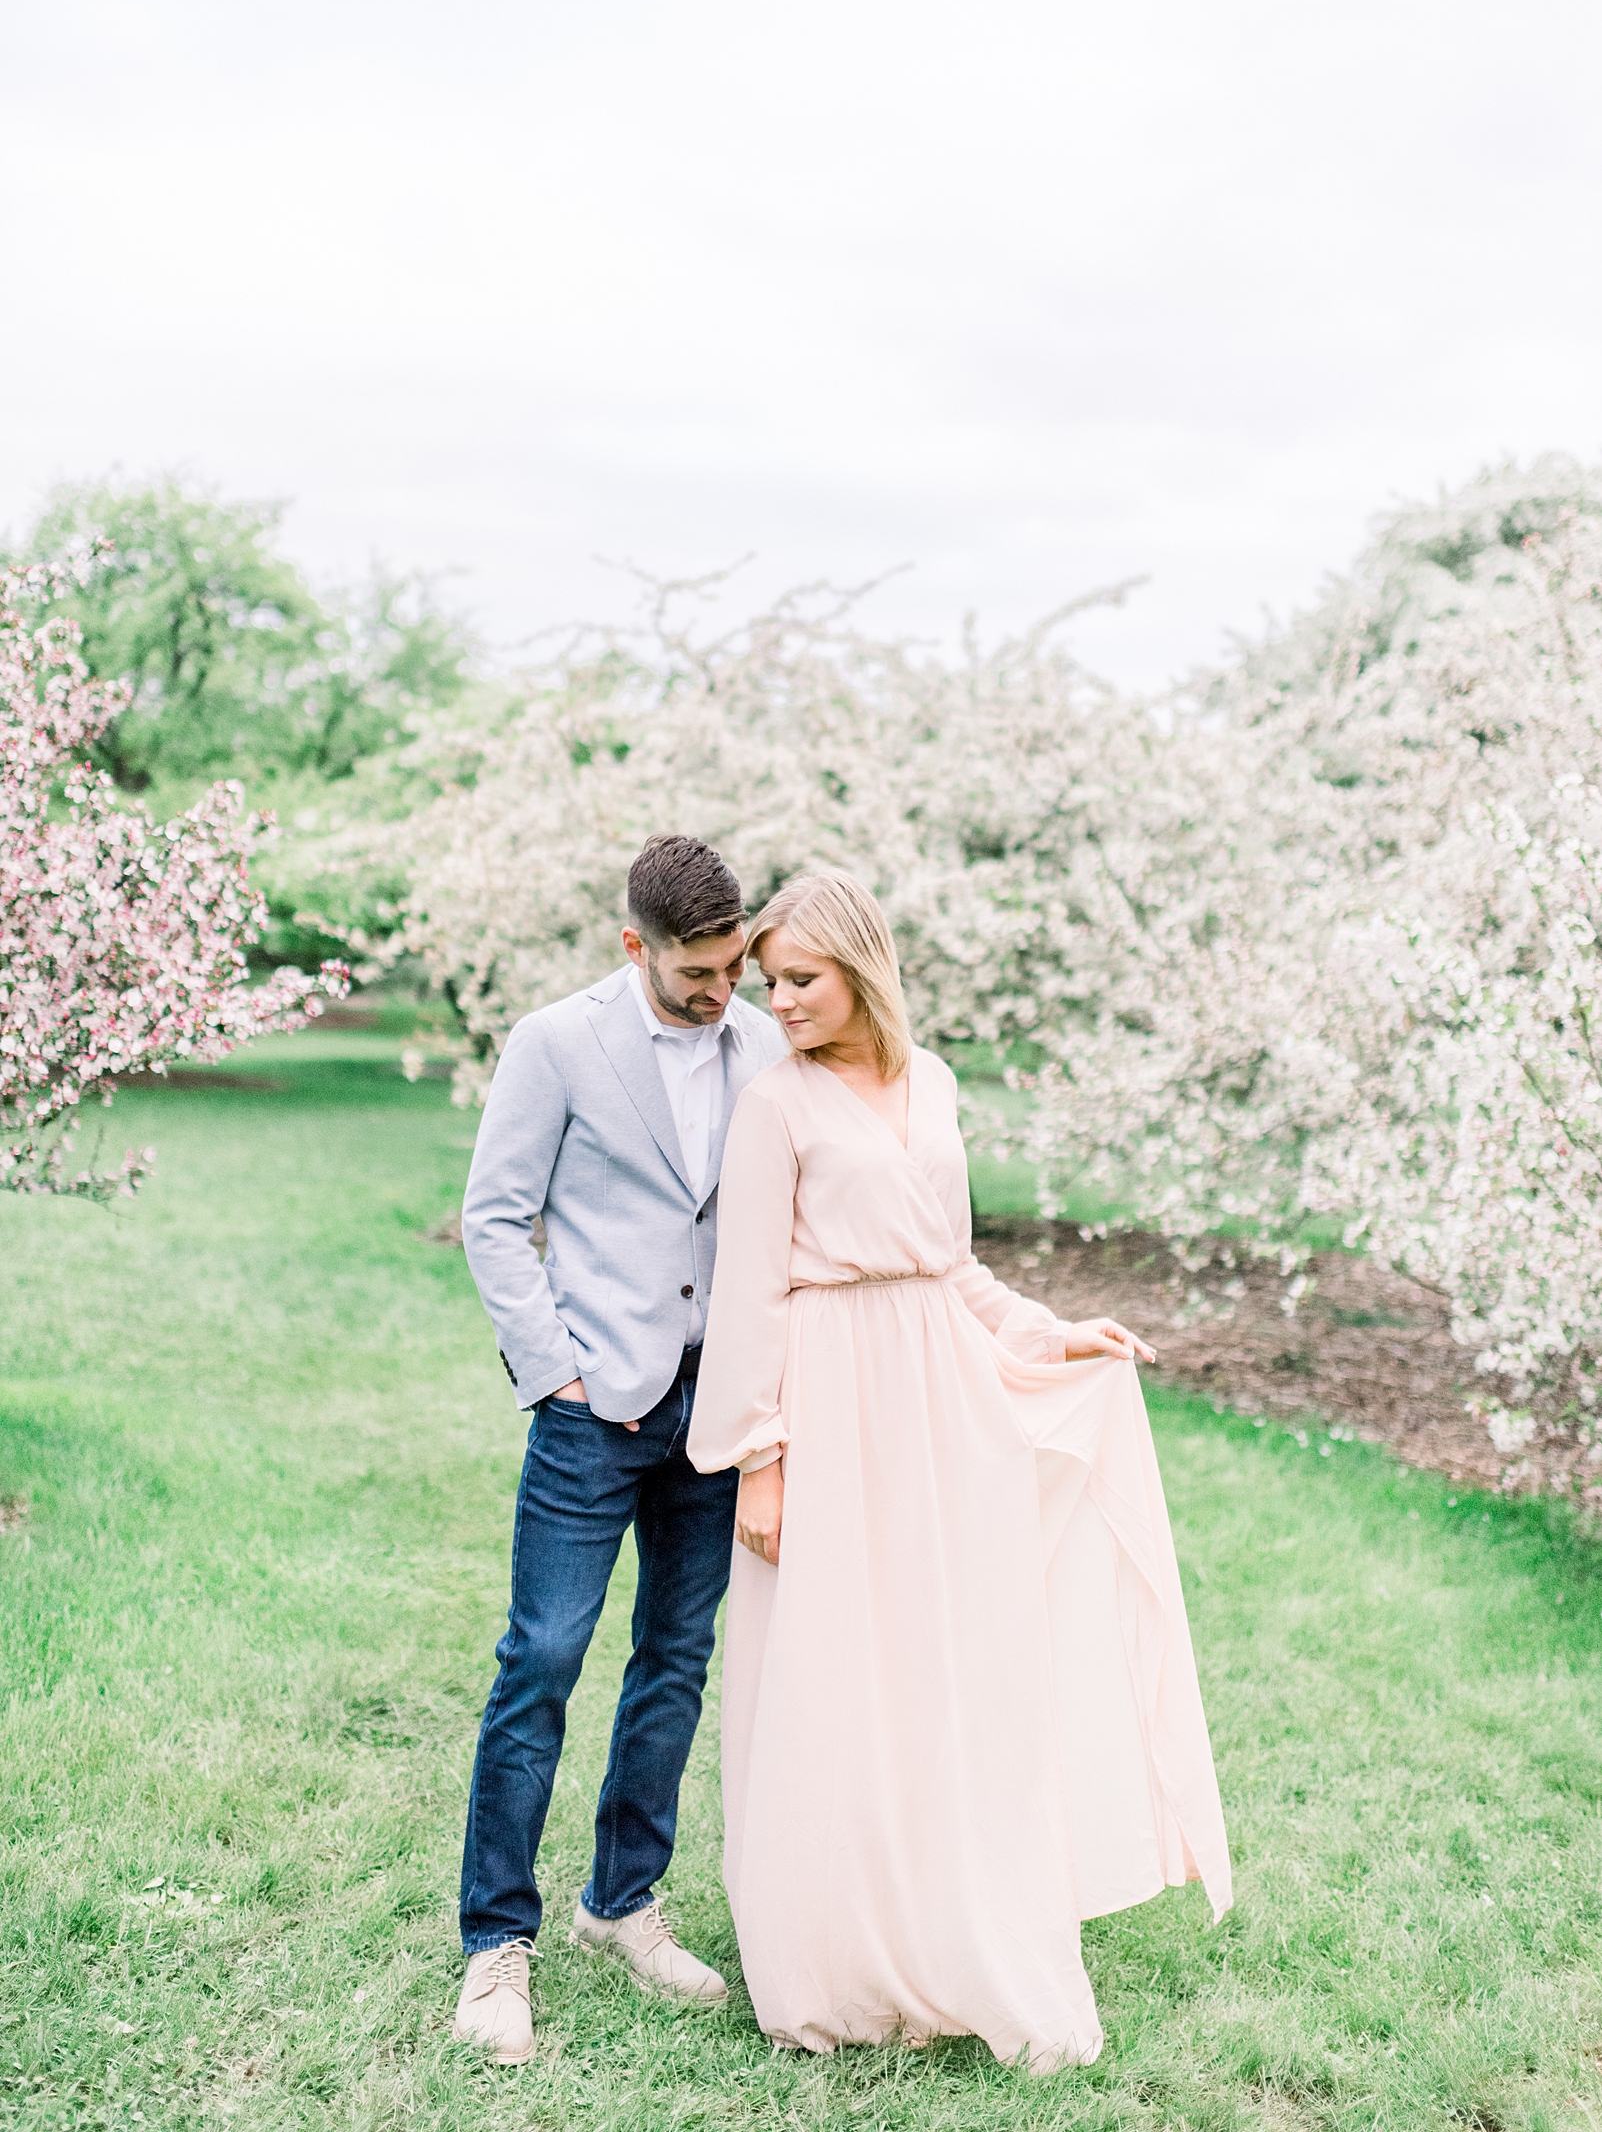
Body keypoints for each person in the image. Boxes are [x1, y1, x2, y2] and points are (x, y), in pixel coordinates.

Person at [686, 870, 1231, 2074]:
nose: (778, 1001)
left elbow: (953, 1268)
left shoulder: (930, 1084)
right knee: (835, 1673)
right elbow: (750, 1290)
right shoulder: (775, 1105)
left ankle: (960, 1929)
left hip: (943, 1401)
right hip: (830, 1401)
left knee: (947, 1670)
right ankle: (828, 1963)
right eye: (768, 982)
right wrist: (759, 1461)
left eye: (802, 979)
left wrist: (1052, 1333)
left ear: (862, 967)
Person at [451, 834, 788, 2068]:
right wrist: (561, 1371)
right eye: (698, 971)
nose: (724, 990)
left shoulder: (764, 1040)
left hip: (719, 1413)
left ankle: (622, 1905)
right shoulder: (556, 1042)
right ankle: (498, 1944)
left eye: (735, 963)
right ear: (635, 944)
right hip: (597, 1410)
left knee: (675, 1661)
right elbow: (494, 1215)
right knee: (540, 1660)